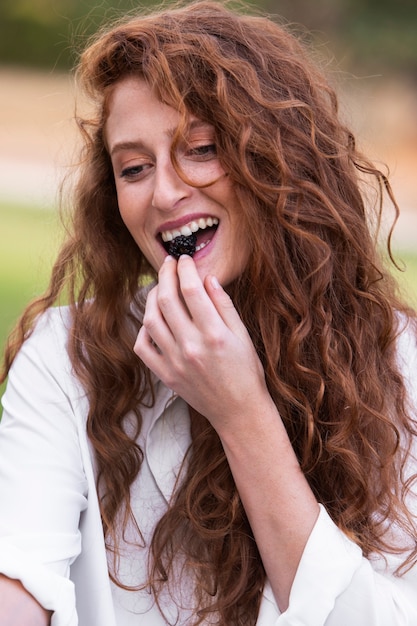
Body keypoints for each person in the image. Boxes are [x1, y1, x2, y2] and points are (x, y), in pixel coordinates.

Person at [0, 1, 416, 624]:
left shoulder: (400, 364)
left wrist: (241, 410)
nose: (165, 192)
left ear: (281, 162)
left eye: (200, 149)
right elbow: (19, 580)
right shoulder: (66, 356)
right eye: (134, 168)